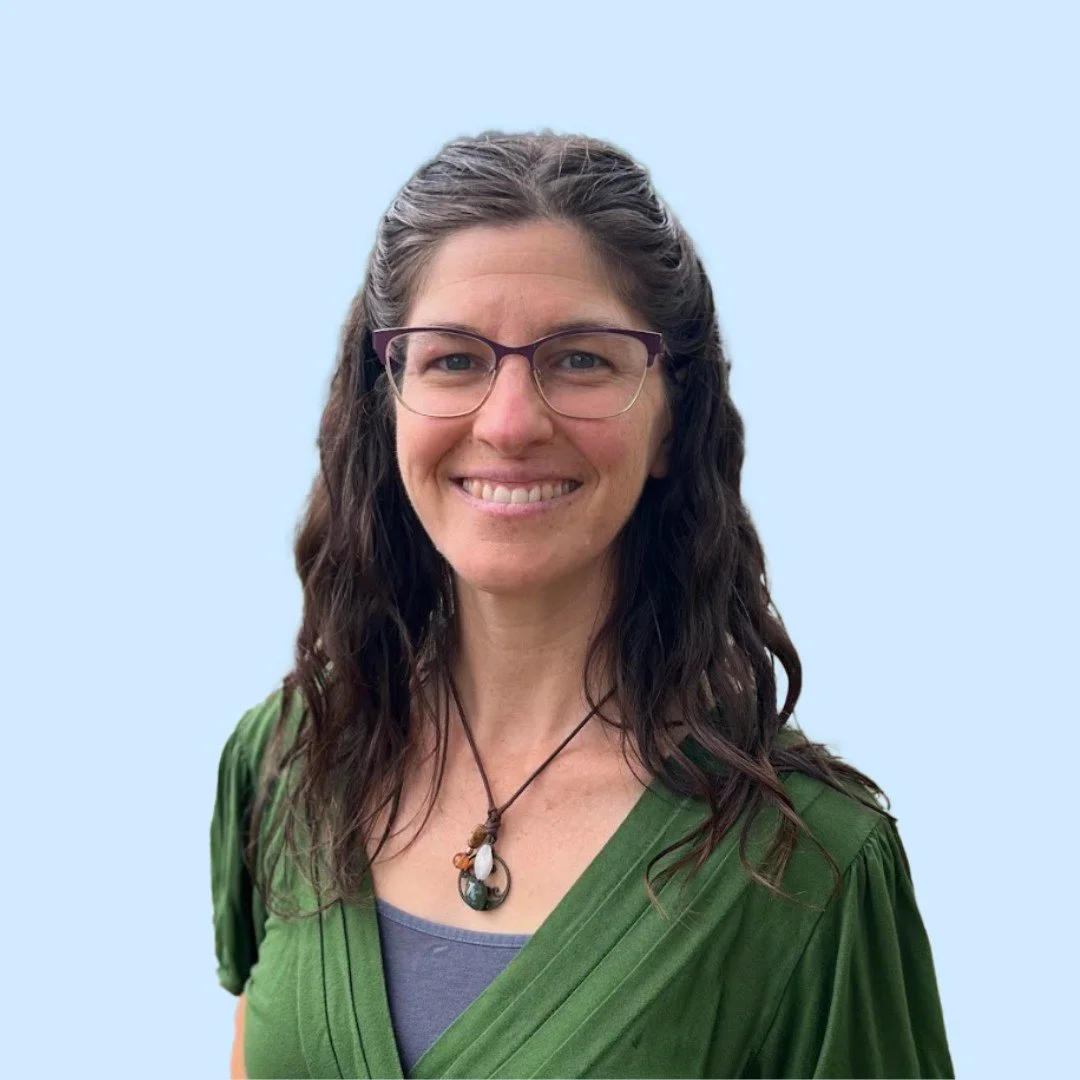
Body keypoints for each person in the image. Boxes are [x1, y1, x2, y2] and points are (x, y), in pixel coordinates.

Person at [210, 130, 954, 1079]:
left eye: (580, 361)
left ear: (675, 420)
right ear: (384, 398)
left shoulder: (808, 871)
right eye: (454, 360)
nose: (511, 421)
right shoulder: (287, 762)